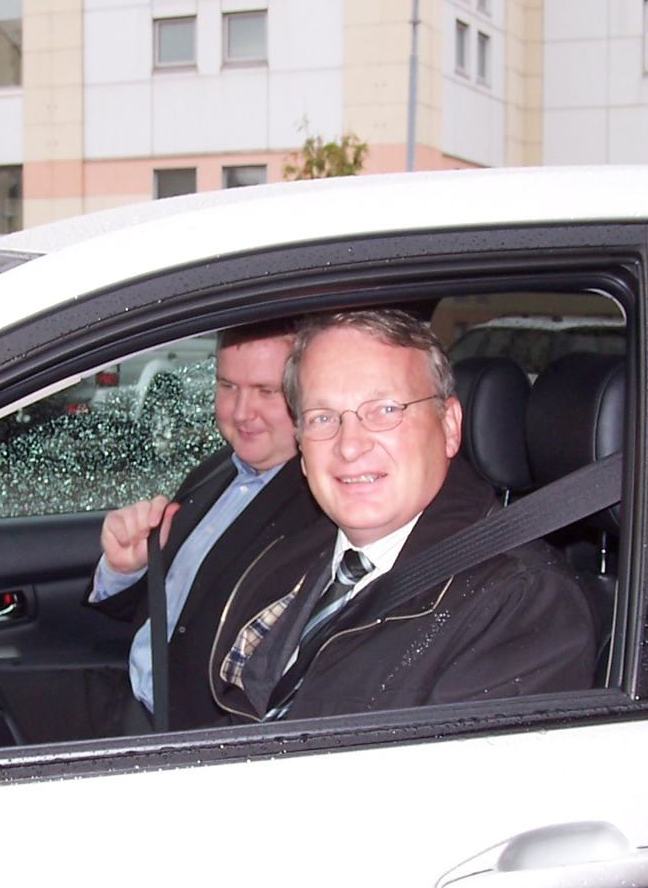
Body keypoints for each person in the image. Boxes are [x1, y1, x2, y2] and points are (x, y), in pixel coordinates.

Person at [210, 309, 596, 722]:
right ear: (301, 446)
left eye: (385, 410)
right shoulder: (286, 560)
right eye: (323, 417)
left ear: (449, 426)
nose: (349, 445)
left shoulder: (520, 604)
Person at [88, 323, 322, 731]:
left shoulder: (322, 514)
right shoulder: (216, 470)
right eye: (228, 385)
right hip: (133, 698)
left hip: (191, 737)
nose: (241, 412)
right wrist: (126, 570)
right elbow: (171, 609)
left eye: (267, 391)